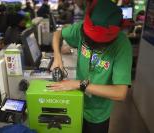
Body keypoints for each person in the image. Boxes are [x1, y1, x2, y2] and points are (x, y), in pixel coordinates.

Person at [49, 0, 132, 133]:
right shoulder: (81, 28)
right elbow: (57, 34)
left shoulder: (122, 46)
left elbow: (120, 93)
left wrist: (79, 84)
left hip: (97, 114)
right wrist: (57, 57)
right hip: (77, 103)